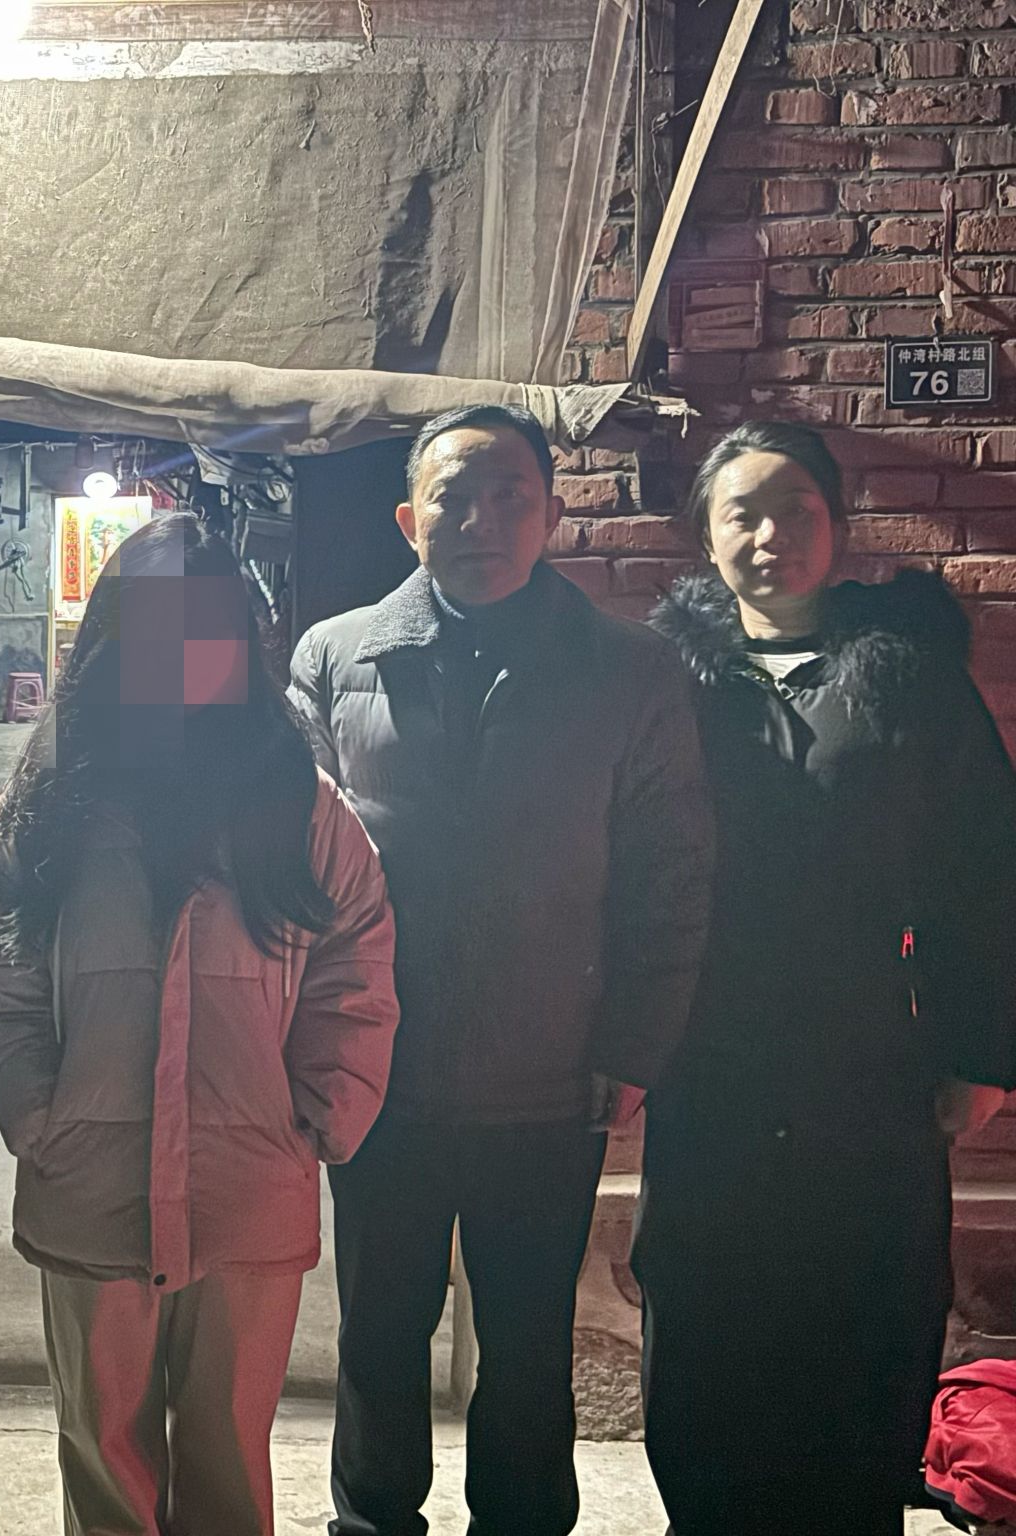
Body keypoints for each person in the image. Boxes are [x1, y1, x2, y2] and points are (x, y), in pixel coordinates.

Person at [287, 404, 715, 1536]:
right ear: (408, 519)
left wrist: (633, 1046)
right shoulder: (334, 657)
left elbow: (670, 878)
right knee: (379, 1332)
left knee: (526, 1346)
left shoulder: (629, 670)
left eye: (508, 496)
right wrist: (306, 1047)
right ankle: (372, 1521)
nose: (480, 520)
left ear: (552, 514)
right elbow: (296, 870)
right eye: (453, 498)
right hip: (380, 1078)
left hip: (550, 1078)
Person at [0, 513, 400, 1536]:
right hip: (90, 1178)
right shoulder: (50, 801)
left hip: (248, 1178)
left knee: (228, 1451)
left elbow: (356, 964)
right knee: (102, 1453)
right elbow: (0, 969)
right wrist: (35, 1111)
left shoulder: (297, 804)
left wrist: (321, 1111)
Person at [637, 421, 1016, 1535]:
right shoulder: (661, 684)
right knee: (706, 1304)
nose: (772, 536)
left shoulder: (911, 681)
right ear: (706, 537)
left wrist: (980, 1052)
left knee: (867, 1307)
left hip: (865, 1053)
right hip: (707, 1053)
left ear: (837, 528)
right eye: (743, 514)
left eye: (796, 510)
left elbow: (982, 870)